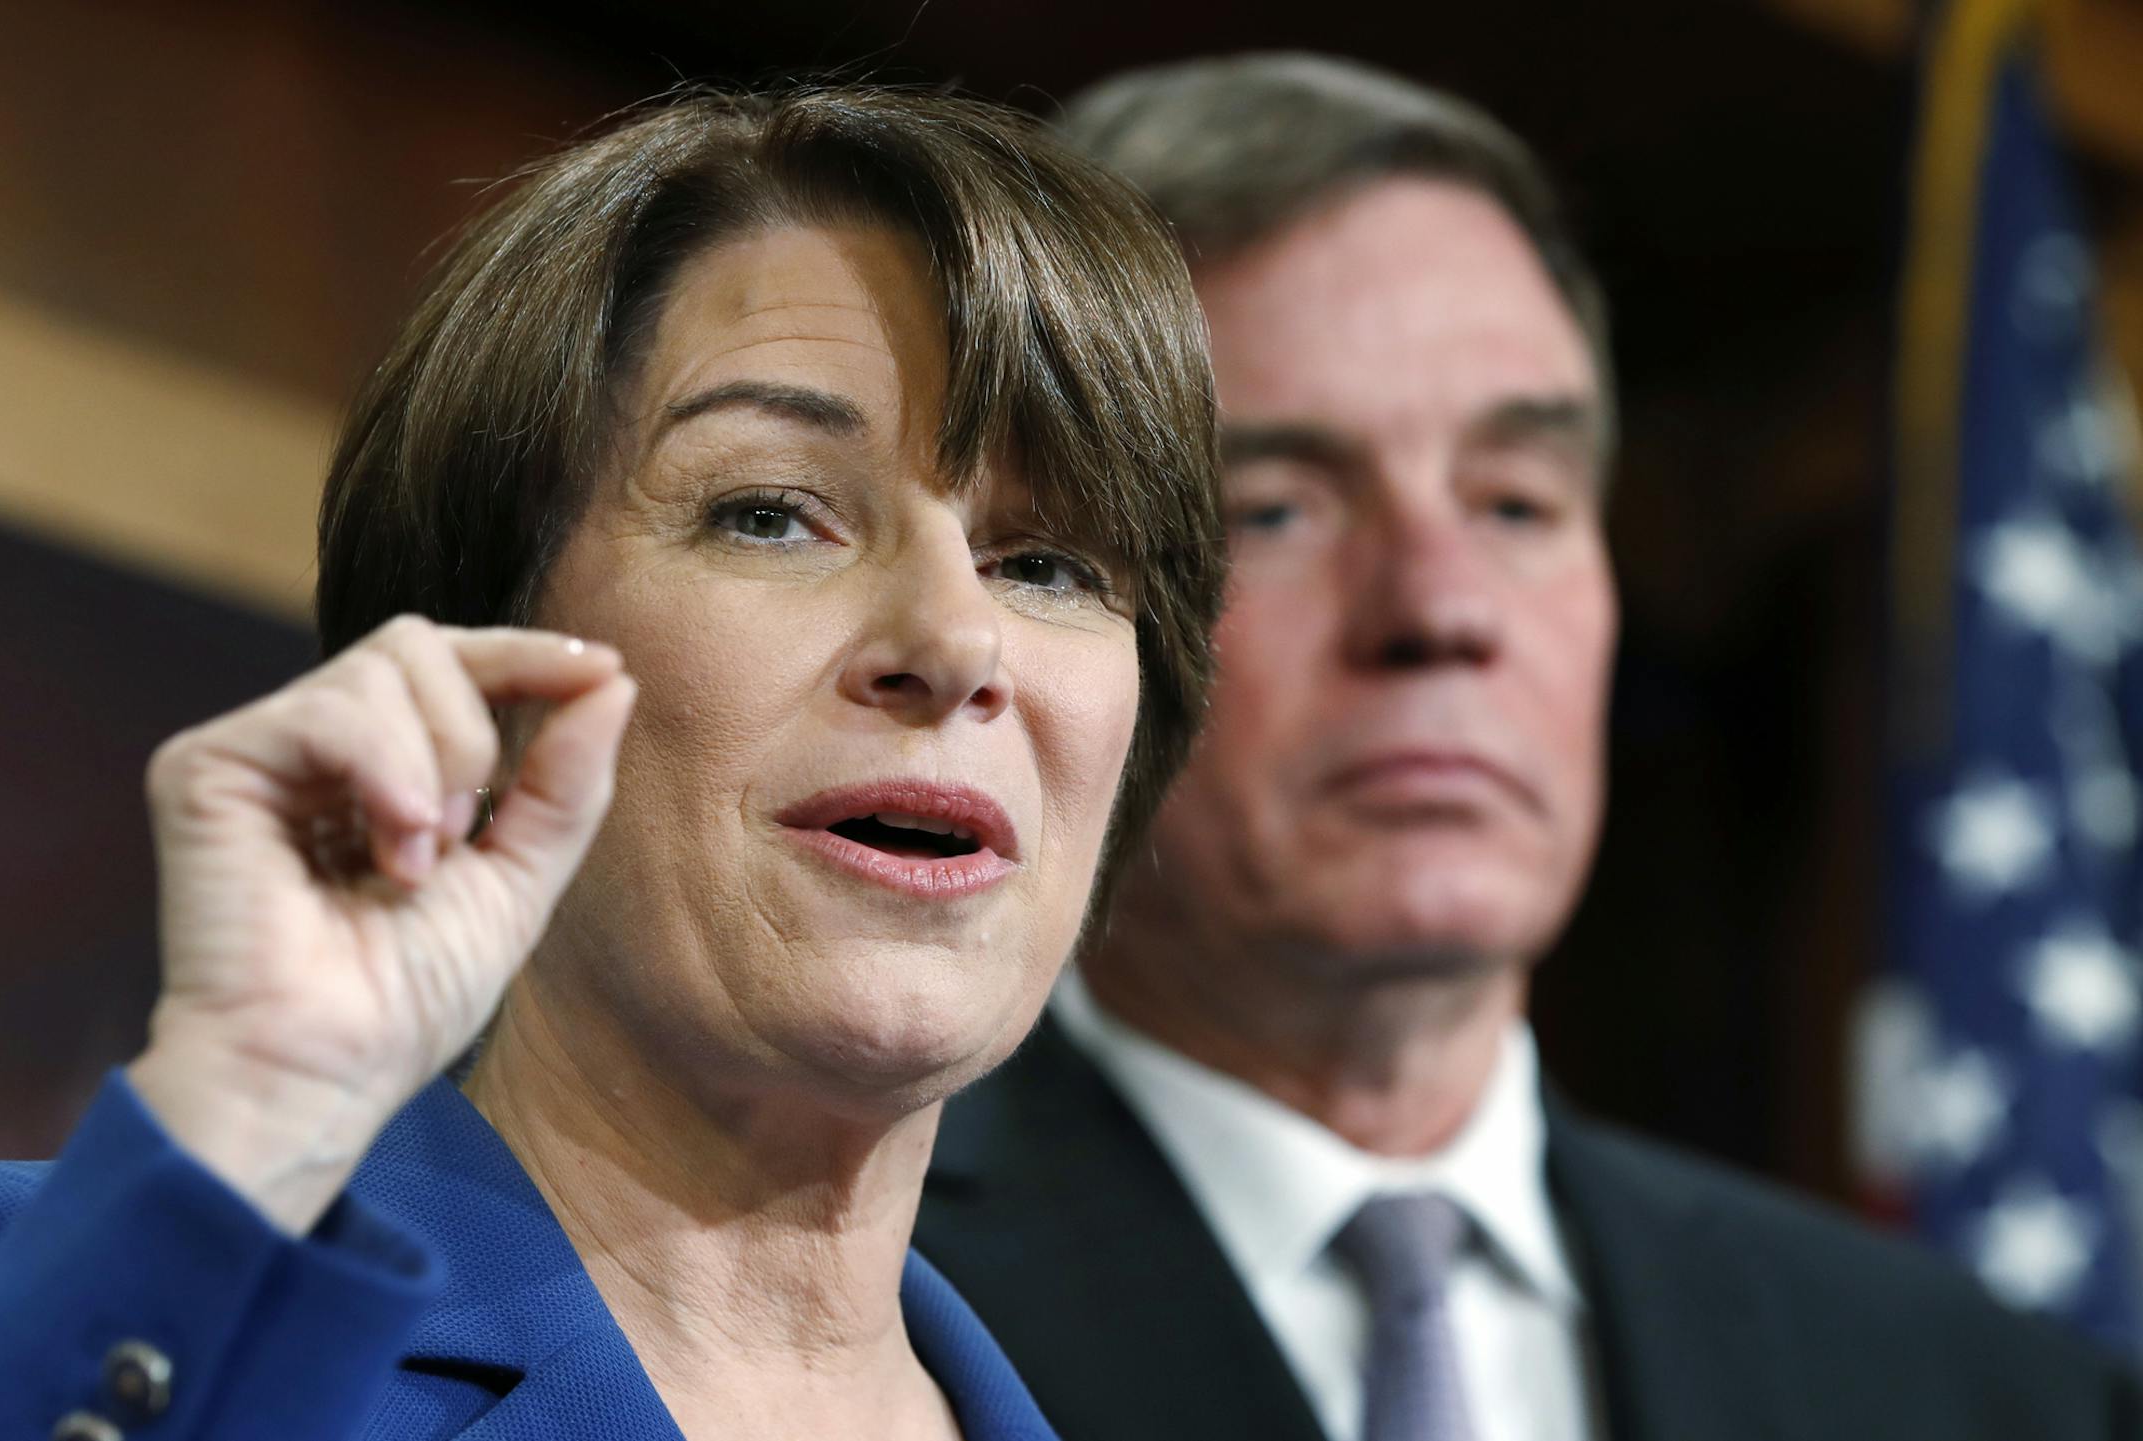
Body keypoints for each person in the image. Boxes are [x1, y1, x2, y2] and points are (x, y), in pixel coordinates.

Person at [914, 52, 2143, 1441]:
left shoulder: (1988, 1398)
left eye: (1514, 501)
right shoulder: (820, 1314)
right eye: (1274, 508)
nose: (1440, 610)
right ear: (1031, 598)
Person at [0, 85, 1224, 1441]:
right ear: (487, 666)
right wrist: (254, 1115)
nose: (954, 639)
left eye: (1046, 563)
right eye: (768, 514)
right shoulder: (81, 1315)